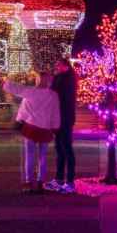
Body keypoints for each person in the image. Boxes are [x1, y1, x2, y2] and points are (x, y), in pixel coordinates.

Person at [5, 71, 60, 194]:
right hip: (45, 129)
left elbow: (16, 88)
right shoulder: (53, 95)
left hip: (30, 128)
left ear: (38, 80)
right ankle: (41, 182)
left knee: (29, 156)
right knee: (42, 157)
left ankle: (28, 182)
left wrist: (3, 81)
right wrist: (55, 128)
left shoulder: (31, 92)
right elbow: (56, 114)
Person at [47, 58, 77, 194]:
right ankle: (59, 178)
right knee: (59, 149)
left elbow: (62, 96)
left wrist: (53, 87)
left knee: (67, 149)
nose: (57, 67)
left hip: (65, 118)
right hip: (57, 118)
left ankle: (70, 182)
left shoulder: (70, 78)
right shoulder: (59, 77)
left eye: (59, 65)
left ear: (65, 65)